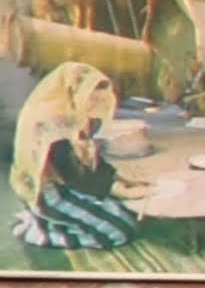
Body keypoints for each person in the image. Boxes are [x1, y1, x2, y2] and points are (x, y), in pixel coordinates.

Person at [8, 62, 142, 252]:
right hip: (51, 193)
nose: (96, 102)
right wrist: (122, 191)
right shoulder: (52, 123)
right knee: (121, 231)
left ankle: (53, 223)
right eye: (91, 96)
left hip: (72, 185)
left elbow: (90, 159)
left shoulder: (74, 112)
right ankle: (40, 232)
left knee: (127, 213)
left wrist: (120, 179)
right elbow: (73, 175)